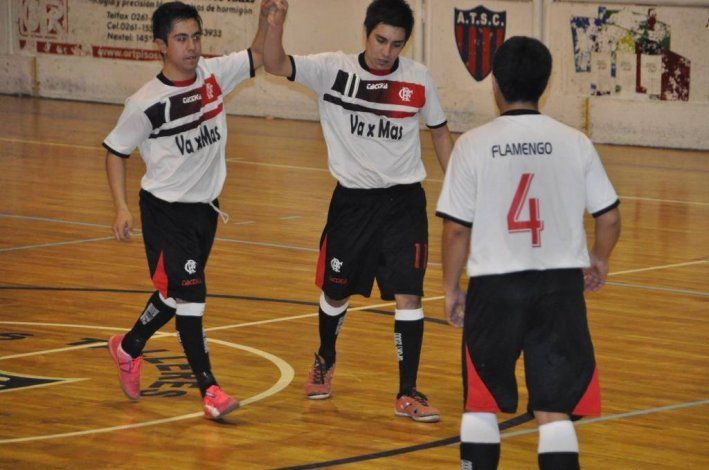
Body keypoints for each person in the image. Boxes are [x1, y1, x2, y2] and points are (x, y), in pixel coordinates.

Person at [264, 0, 453, 422]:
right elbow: (275, 64)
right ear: (366, 33)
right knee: (336, 292)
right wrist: (274, 24)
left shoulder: (418, 79)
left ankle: (407, 391)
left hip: (404, 204)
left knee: (409, 294)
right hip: (353, 204)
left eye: (396, 44)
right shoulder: (333, 70)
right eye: (380, 40)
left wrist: (459, 189)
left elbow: (440, 134)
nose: (386, 51)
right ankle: (325, 357)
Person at [437, 36, 621, 469]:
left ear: (495, 84)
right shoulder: (575, 141)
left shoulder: (473, 144)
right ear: (545, 82)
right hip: (559, 288)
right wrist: (599, 258)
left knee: (481, 404)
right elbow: (609, 218)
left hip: (495, 287)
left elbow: (456, 230)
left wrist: (450, 287)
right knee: (555, 410)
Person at [103, 0, 274, 420]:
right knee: (192, 296)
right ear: (161, 45)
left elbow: (257, 55)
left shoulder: (213, 76)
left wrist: (267, 21)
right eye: (181, 39)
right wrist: (121, 208)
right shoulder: (145, 103)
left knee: (172, 294)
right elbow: (115, 152)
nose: (192, 46)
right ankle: (210, 389)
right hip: (166, 212)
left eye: (196, 37)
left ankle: (128, 347)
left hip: (206, 211)